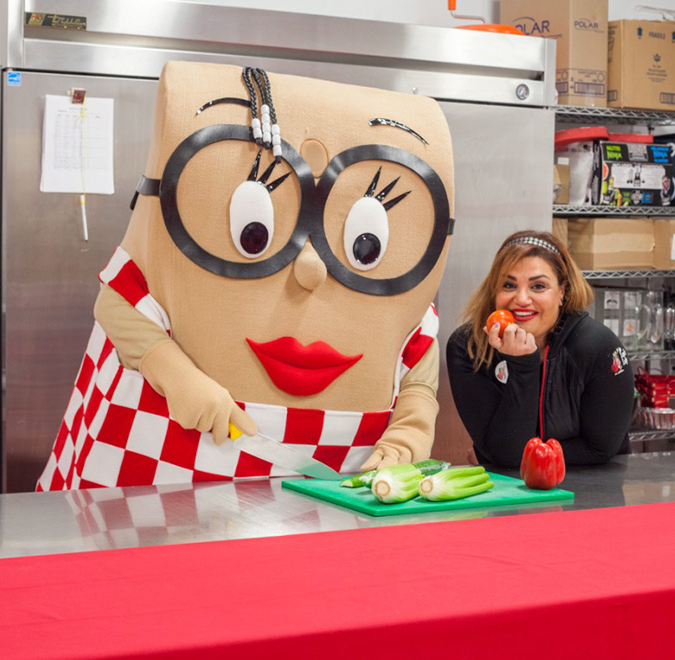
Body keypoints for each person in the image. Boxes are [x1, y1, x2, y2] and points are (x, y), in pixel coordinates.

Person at [36, 61, 456, 490]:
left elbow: (414, 352)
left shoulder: (403, 303)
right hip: (160, 488)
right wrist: (171, 371)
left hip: (333, 500)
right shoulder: (157, 253)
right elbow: (120, 298)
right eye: (252, 235)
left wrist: (412, 428)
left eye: (366, 246)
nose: (311, 270)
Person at [446, 230, 633, 468]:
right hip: (508, 495)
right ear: (494, 290)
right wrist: (522, 366)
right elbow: (506, 453)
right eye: (509, 284)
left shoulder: (599, 347)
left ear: (562, 292)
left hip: (591, 488)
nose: (522, 299)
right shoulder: (468, 348)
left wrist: (502, 456)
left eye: (538, 286)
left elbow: (599, 449)